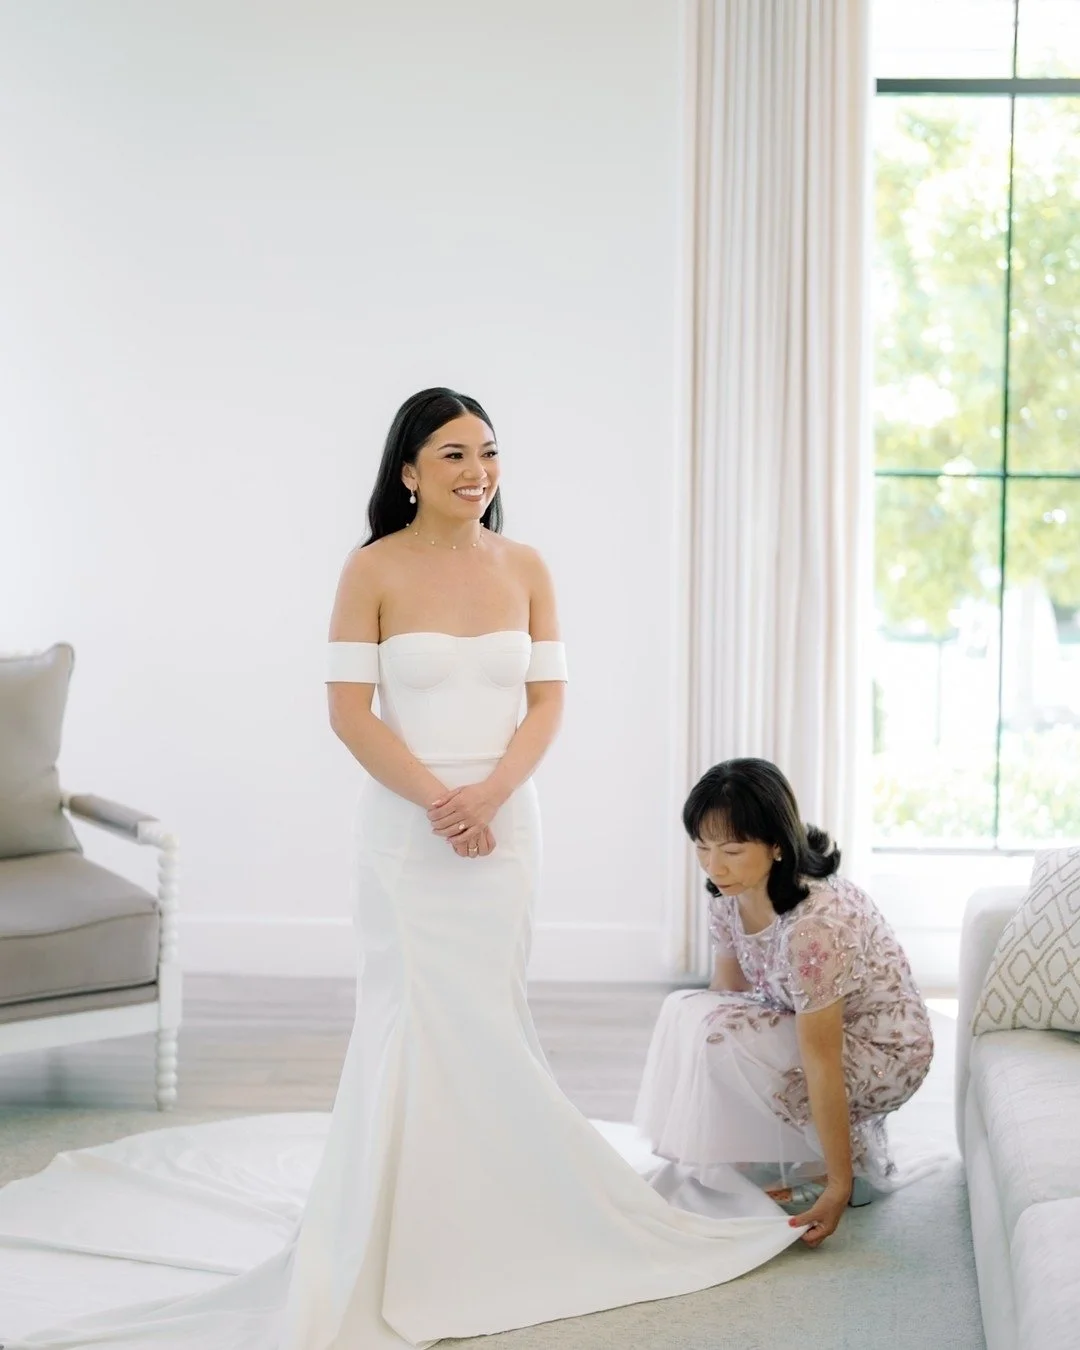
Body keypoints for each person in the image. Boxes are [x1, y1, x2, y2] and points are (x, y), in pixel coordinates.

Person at [0, 391, 800, 1350]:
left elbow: (547, 703)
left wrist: (489, 796)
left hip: (505, 823)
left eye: (489, 452)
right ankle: (400, 1228)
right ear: (410, 470)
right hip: (404, 830)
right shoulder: (371, 568)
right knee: (411, 1016)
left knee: (490, 1014)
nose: (478, 471)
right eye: (453, 453)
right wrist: (439, 802)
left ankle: (503, 1213)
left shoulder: (526, 566)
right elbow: (350, 712)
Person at [635, 757, 935, 1248]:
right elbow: (726, 991)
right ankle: (755, 1154)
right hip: (811, 1025)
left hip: (883, 1050)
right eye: (702, 847)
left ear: (777, 844)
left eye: (732, 850)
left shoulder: (816, 923)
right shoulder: (728, 893)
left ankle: (840, 1166)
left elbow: (822, 1057)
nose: (714, 866)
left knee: (722, 1032)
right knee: (688, 1012)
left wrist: (838, 1185)